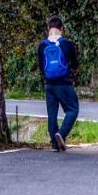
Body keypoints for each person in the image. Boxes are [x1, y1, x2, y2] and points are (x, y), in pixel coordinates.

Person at [36, 15, 79, 152]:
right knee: (73, 109)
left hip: (49, 84)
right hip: (64, 83)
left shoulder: (42, 46)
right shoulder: (67, 44)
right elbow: (75, 65)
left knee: (52, 114)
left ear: (48, 29)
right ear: (62, 29)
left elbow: (41, 67)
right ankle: (62, 133)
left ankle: (54, 144)